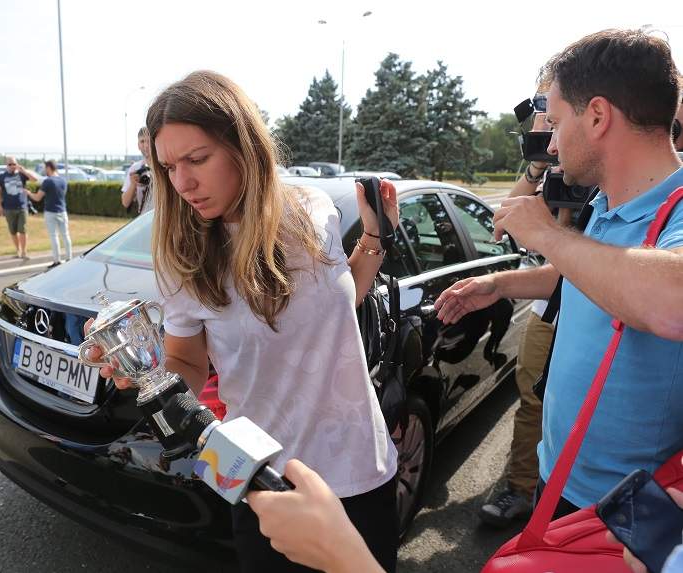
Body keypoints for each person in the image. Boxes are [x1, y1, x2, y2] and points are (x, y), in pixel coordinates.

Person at [248, 28, 683, 571]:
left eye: (558, 118)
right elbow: (595, 279)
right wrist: (499, 285)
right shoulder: (609, 204)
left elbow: (671, 300)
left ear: (597, 116)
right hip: (563, 476)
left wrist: (548, 234)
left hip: (630, 506)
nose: (549, 142)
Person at [86, 70, 399, 572]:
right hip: (262, 484)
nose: (182, 182)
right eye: (167, 166)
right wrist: (147, 378)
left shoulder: (315, 210)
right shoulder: (182, 256)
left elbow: (337, 302)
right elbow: (186, 362)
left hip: (362, 466)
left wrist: (375, 239)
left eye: (197, 159)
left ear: (243, 145)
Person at [479, 112, 574, 527]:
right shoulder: (558, 168)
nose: (550, 138)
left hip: (593, 307)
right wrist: (538, 166)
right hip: (547, 306)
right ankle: (522, 487)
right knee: (533, 400)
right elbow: (502, 222)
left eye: (555, 121)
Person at [26, 160, 72, 267]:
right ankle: (69, 258)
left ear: (49, 168)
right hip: (62, 210)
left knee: (54, 236)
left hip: (51, 211)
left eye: (45, 168)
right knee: (65, 235)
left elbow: (37, 198)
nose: (44, 170)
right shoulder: (63, 180)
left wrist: (28, 193)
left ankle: (57, 260)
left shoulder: (48, 181)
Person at [0, 156, 37, 259]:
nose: (12, 166)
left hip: (22, 207)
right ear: (6, 165)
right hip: (8, 208)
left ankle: (24, 252)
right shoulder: (1, 177)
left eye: (14, 164)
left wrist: (24, 171)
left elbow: (34, 180)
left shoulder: (22, 175)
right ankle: (17, 250)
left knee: (23, 230)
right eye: (10, 164)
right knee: (13, 231)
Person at [120, 127, 154, 215]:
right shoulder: (135, 168)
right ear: (138, 145)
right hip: (144, 219)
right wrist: (133, 184)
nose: (146, 145)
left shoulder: (164, 165)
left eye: (149, 141)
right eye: (142, 141)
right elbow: (125, 203)